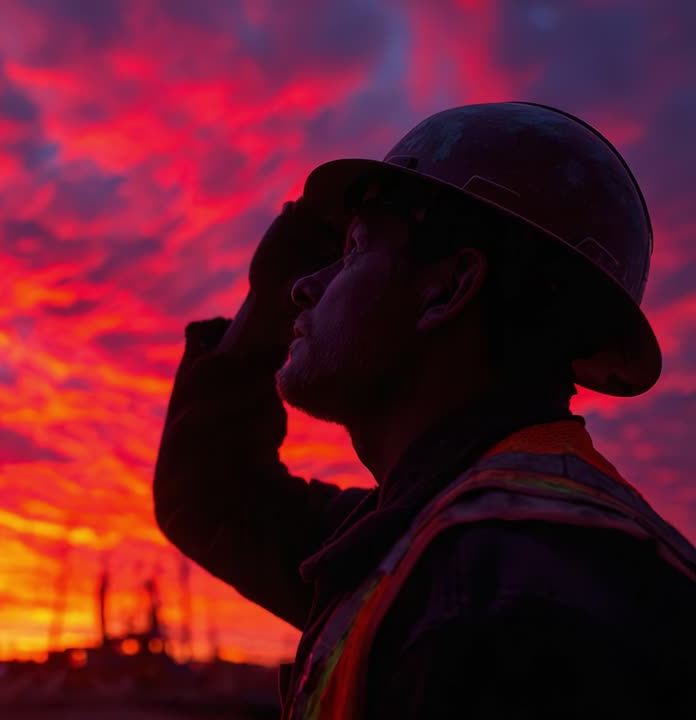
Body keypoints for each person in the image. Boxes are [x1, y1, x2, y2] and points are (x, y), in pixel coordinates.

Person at [154, 102, 696, 719]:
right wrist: (265, 308)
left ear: (447, 287)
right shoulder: (436, 532)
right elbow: (213, 497)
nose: (304, 286)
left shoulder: (508, 584)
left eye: (356, 247)